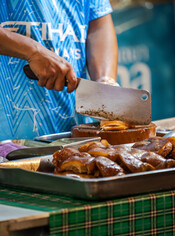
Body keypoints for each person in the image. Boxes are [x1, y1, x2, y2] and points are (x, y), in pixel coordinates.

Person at [0, 0, 118, 141]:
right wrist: (32, 51)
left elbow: (97, 23)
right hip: (8, 132)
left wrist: (104, 82)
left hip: (75, 132)